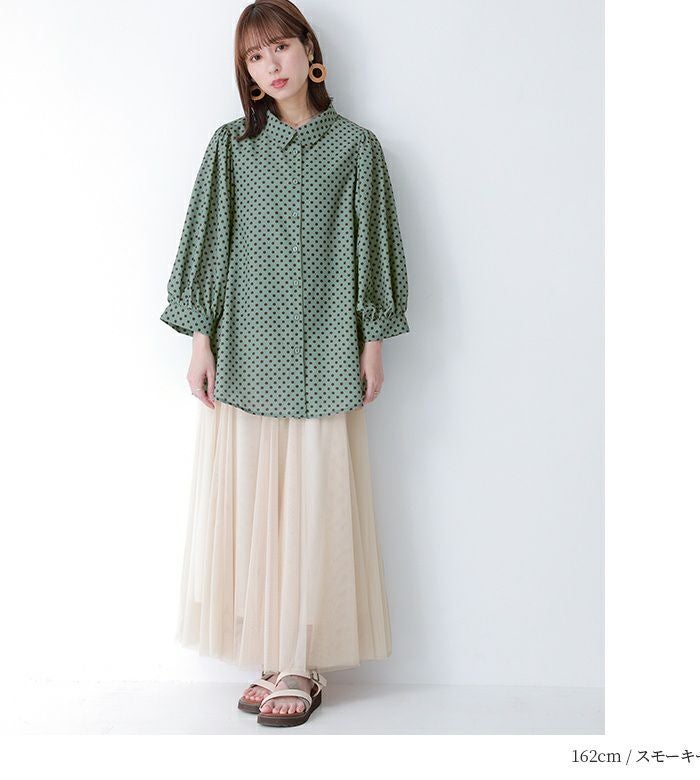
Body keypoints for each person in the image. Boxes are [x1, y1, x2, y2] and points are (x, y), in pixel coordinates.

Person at [159, 0, 410, 728]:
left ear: (309, 50)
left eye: (280, 47)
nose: (270, 64)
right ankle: (272, 656)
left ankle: (302, 662)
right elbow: (208, 243)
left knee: (314, 502)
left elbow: (374, 247)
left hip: (328, 350)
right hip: (247, 350)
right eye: (254, 56)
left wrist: (373, 341)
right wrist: (200, 341)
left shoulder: (356, 148)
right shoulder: (230, 147)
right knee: (256, 508)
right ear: (246, 72)